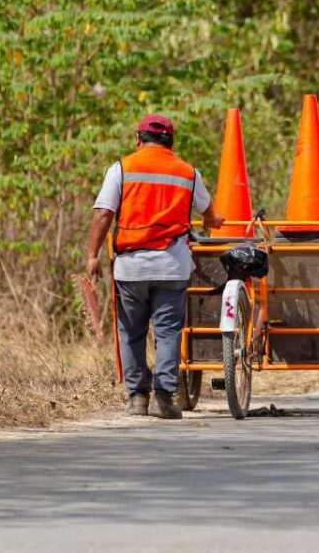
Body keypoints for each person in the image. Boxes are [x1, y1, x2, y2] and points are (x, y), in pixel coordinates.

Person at [85, 115, 222, 419]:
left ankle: (137, 398)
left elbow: (102, 215)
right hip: (172, 267)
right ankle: (164, 397)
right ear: (171, 143)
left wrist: (92, 254)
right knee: (168, 333)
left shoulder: (122, 168)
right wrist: (212, 220)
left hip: (130, 268)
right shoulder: (188, 172)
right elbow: (207, 209)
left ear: (138, 140)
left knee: (132, 333)